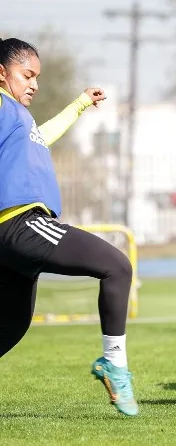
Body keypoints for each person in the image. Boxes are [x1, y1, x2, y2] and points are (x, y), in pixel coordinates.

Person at [0, 38, 138, 416]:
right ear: (1, 73)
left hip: (15, 233)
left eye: (37, 77)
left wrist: (79, 105)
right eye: (27, 75)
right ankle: (115, 364)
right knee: (117, 266)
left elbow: (41, 137)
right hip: (20, 224)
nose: (34, 84)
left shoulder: (17, 120)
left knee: (11, 326)